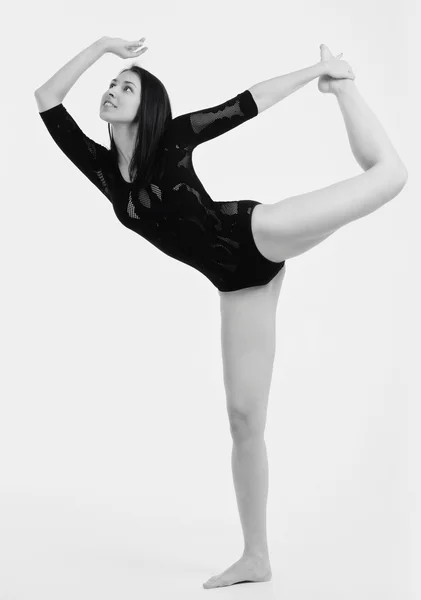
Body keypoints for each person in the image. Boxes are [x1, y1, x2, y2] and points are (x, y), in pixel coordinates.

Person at [34, 37, 408, 589]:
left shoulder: (175, 137)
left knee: (389, 177)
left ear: (149, 104)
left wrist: (316, 71)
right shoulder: (103, 170)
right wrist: (104, 48)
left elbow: (247, 102)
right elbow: (46, 98)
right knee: (244, 421)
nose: (112, 90)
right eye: (112, 85)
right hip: (236, 287)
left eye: (125, 86)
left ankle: (343, 87)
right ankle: (256, 557)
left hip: (258, 234)